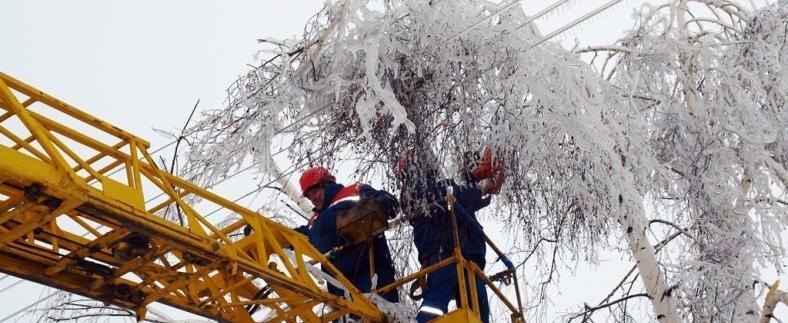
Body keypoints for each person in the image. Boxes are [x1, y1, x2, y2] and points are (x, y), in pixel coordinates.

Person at [397, 148, 504, 323]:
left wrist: (474, 178)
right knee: (436, 304)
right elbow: (454, 194)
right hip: (444, 254)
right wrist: (481, 186)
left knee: (478, 313)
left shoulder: (430, 188)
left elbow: (464, 198)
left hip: (467, 259)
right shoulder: (420, 190)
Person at [295, 166, 400, 303]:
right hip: (340, 290)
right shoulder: (313, 223)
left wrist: (382, 204)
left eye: (314, 191)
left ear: (327, 184)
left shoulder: (353, 191)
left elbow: (389, 203)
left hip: (370, 273)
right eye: (309, 196)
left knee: (381, 311)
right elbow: (299, 237)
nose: (313, 198)